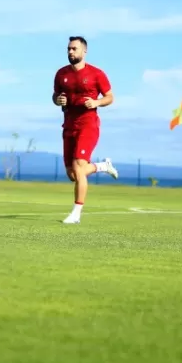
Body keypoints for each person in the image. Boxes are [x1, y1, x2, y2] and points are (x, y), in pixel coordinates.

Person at [52, 35, 118, 224]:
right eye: (69, 49)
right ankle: (102, 166)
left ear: (84, 51)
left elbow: (110, 97)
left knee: (79, 167)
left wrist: (96, 102)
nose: (70, 51)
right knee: (73, 174)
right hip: (68, 125)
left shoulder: (96, 74)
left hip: (88, 125)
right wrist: (58, 100)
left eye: (74, 48)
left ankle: (76, 213)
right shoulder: (61, 74)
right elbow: (55, 96)